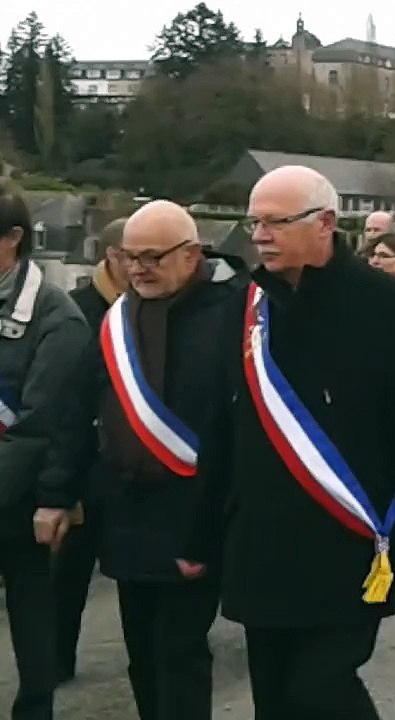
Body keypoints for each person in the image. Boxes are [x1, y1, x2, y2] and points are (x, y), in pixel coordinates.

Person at [185, 166, 395, 719]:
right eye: (254, 221)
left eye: (276, 222)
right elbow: (219, 430)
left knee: (323, 692)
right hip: (261, 544)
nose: (259, 235)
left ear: (325, 223)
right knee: (276, 699)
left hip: (347, 542)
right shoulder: (243, 311)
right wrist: (200, 534)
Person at [83, 201, 245, 720]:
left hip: (196, 511)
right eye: (129, 257)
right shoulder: (119, 318)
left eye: (152, 256)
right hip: (129, 515)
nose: (138, 268)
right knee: (142, 654)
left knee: (179, 651)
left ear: (192, 254)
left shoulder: (235, 313)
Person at [0, 188, 91, 720]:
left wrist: (51, 497)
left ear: (14, 241)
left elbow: (47, 421)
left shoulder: (55, 316)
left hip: (23, 493)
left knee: (32, 613)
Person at [57, 216, 128, 684]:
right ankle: (55, 662)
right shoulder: (78, 312)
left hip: (131, 469)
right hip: (84, 468)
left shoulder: (153, 309)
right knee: (66, 581)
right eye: (133, 254)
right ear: (112, 256)